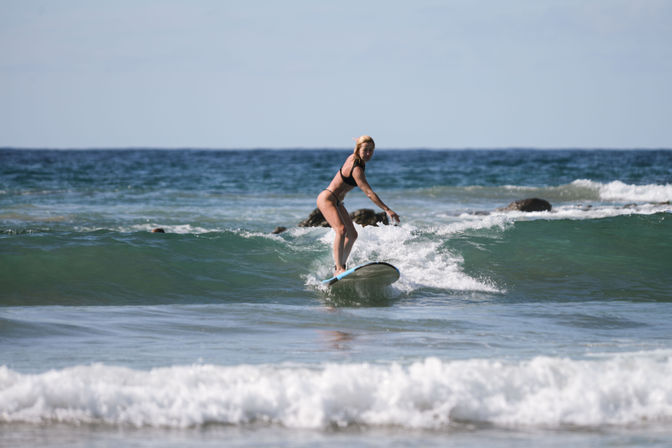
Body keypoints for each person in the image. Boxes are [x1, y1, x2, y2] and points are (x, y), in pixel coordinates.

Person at [317, 135, 400, 276]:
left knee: (352, 235)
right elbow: (369, 193)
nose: (368, 154)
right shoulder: (356, 168)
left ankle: (340, 266)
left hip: (337, 201)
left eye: (371, 150)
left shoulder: (355, 158)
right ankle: (338, 269)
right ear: (358, 150)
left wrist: (359, 142)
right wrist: (387, 209)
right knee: (341, 230)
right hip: (327, 199)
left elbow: (359, 146)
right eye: (365, 150)